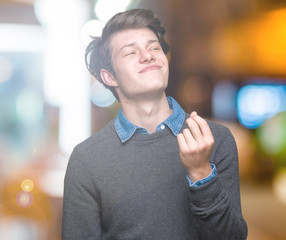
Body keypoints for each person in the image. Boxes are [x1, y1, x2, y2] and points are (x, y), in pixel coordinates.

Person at [62, 8, 247, 239]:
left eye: (153, 47)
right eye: (130, 52)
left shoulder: (214, 139)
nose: (147, 55)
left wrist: (201, 172)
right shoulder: (86, 159)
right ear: (110, 77)